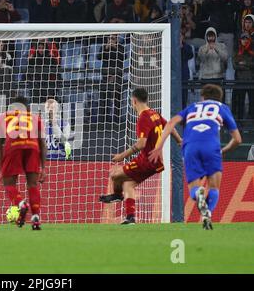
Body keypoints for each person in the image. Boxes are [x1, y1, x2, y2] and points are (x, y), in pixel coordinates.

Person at [149, 84, 242, 230]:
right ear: (220, 97)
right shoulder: (222, 108)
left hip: (190, 146)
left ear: (202, 97)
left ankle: (198, 194)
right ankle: (207, 214)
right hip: (212, 146)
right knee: (214, 186)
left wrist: (159, 145)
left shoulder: (192, 107)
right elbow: (237, 139)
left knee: (194, 187)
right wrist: (223, 151)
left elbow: (172, 122)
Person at [99, 88, 182, 225]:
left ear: (134, 100)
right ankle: (131, 218)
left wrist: (122, 155)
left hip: (146, 160)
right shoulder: (154, 114)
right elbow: (169, 126)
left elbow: (142, 143)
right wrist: (179, 140)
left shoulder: (143, 117)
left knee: (115, 174)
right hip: (156, 161)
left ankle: (117, 195)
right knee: (128, 184)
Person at [0, 96, 47, 230]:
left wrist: (1, 170)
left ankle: (21, 204)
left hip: (13, 147)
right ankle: (36, 218)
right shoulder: (35, 118)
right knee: (32, 184)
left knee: (9, 183)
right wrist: (44, 168)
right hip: (33, 147)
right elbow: (43, 144)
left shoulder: (3, 117)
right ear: (27, 108)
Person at [232, 33, 254, 119]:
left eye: (246, 39)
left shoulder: (252, 51)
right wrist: (248, 65)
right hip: (240, 81)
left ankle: (251, 124)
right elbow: (235, 66)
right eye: (243, 39)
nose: (244, 40)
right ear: (240, 40)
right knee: (240, 103)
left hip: (251, 80)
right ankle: (240, 123)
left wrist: (244, 64)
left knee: (252, 103)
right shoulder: (237, 51)